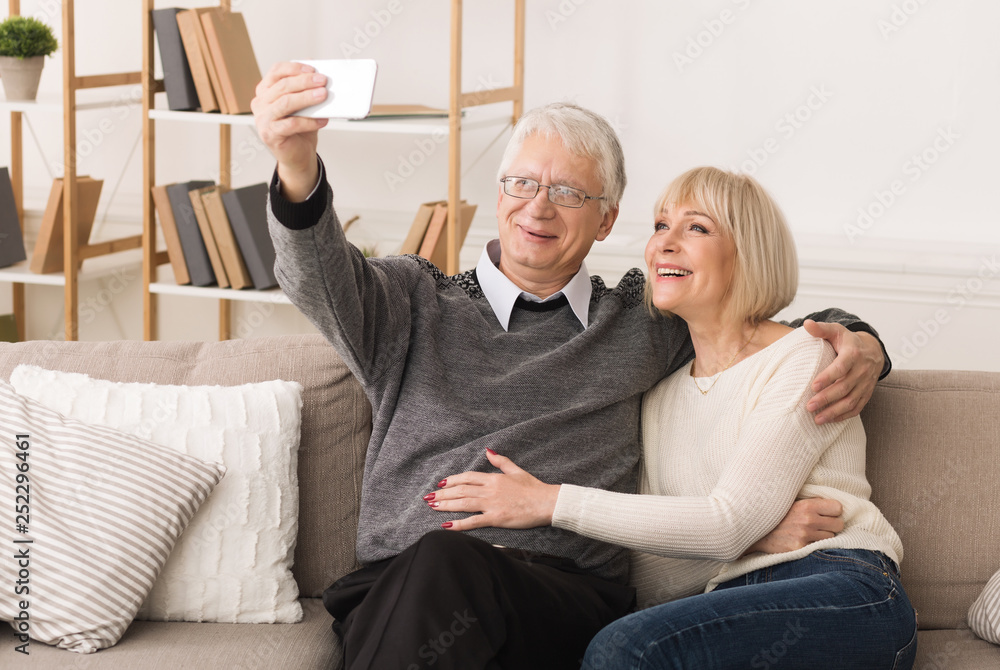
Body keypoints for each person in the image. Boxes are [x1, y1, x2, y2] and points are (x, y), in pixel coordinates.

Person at [252, 61, 889, 669]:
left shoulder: (643, 322)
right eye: (523, 184)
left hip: (561, 602)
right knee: (442, 561)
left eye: (566, 192)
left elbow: (747, 315)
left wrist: (860, 340)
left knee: (449, 560)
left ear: (607, 219)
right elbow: (318, 276)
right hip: (399, 589)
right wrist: (296, 163)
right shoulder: (410, 303)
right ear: (501, 194)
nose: (538, 207)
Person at [428, 167, 917, 669]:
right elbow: (648, 575)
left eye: (696, 228)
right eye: (661, 225)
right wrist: (751, 538)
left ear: (747, 252)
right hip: (716, 600)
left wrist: (548, 501)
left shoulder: (806, 357)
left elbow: (725, 525)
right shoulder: (658, 394)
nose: (665, 243)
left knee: (624, 649)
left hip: (838, 587)